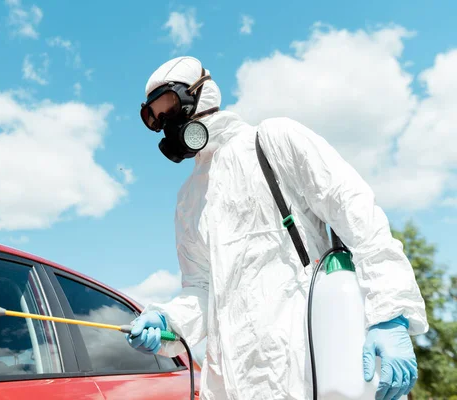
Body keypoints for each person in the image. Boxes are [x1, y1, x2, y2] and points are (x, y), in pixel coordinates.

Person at [126, 56, 428, 400]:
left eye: (171, 107)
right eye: (156, 118)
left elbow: (360, 218)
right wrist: (168, 321)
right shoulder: (188, 200)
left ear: (202, 95)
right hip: (232, 382)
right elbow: (201, 290)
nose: (168, 123)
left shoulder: (273, 140)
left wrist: (391, 316)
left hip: (313, 366)